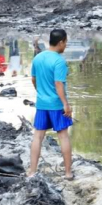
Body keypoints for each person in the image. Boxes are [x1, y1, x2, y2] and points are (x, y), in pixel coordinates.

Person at [28, 29, 74, 179]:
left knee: (37, 137)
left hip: (42, 104)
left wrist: (41, 92)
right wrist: (66, 105)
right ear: (61, 42)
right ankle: (68, 173)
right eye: (66, 42)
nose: (66, 46)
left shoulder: (38, 58)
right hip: (56, 105)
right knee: (63, 137)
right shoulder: (59, 61)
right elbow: (59, 84)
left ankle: (32, 172)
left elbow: (33, 79)